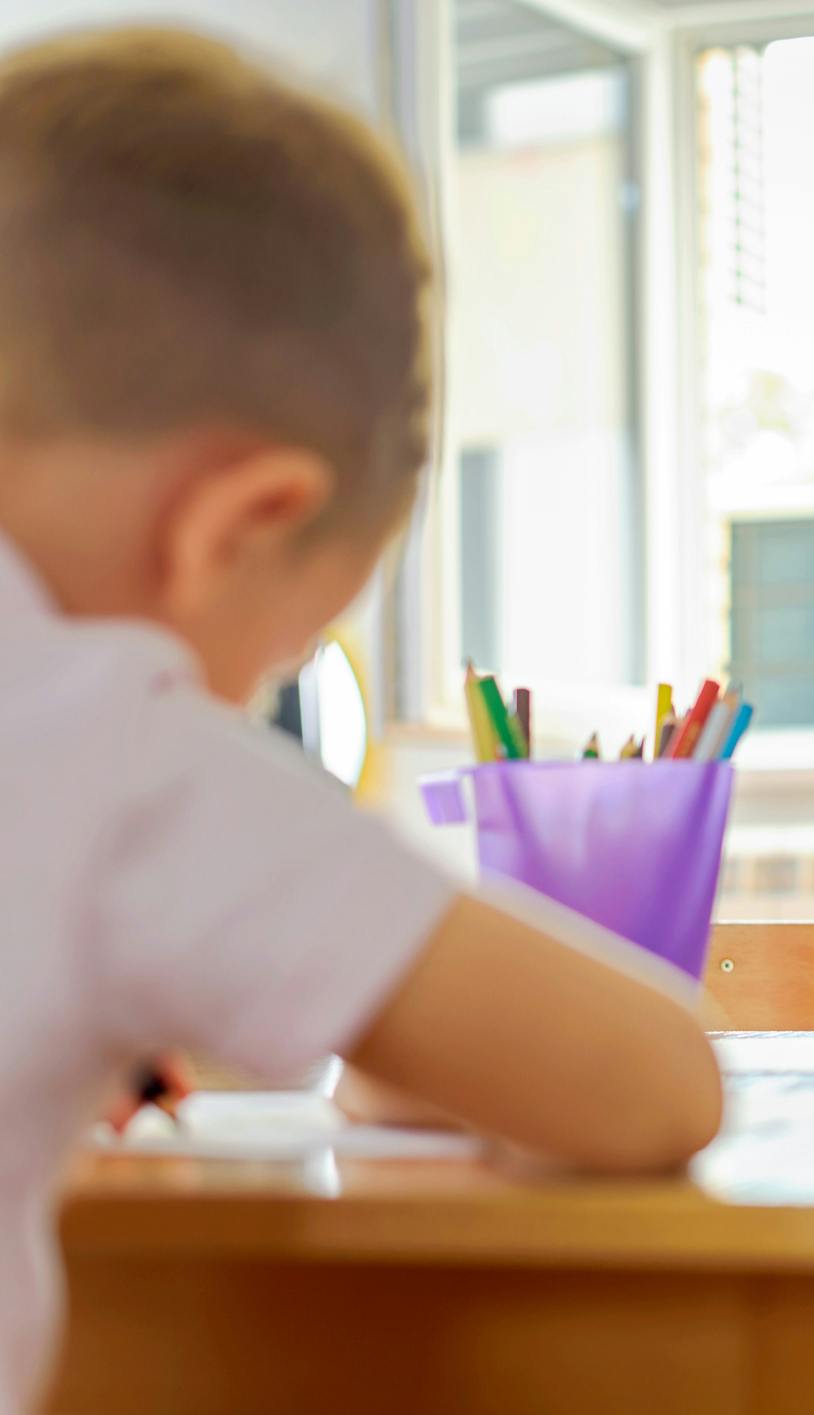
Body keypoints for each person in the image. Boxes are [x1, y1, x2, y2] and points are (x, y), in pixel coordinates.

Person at [0, 31, 721, 1412]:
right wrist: (410, 1036)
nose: (244, 702)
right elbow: (653, 1083)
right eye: (275, 658)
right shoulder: (118, 745)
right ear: (236, 526)